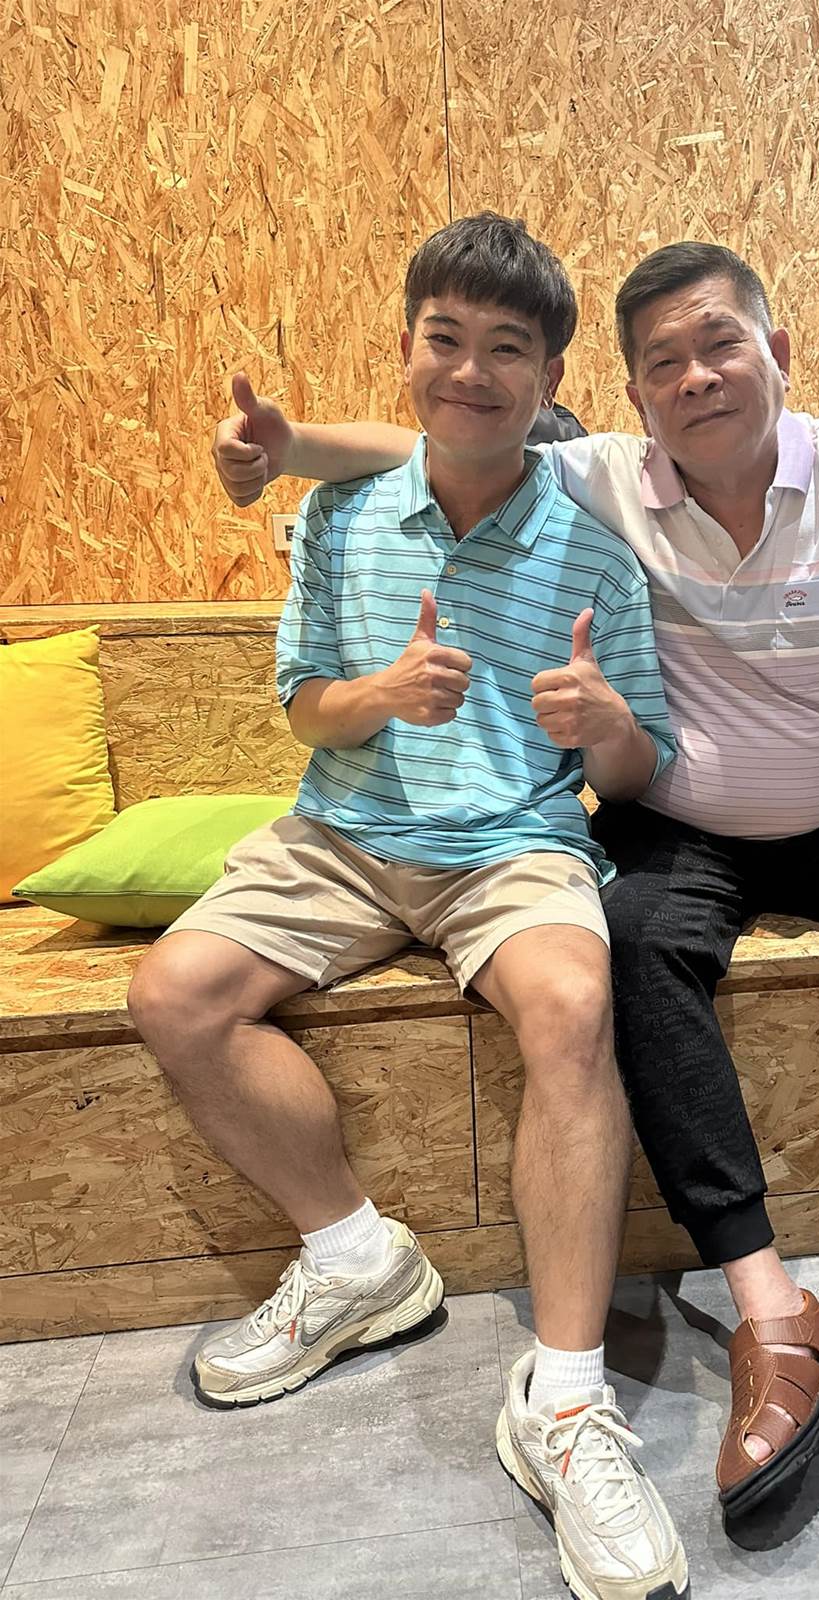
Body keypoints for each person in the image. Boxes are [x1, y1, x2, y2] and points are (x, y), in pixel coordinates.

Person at [211, 240, 819, 1514]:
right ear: (634, 395)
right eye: (663, 364)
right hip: (677, 825)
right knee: (631, 941)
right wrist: (288, 449)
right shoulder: (602, 476)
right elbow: (445, 435)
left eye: (720, 344)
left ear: (778, 352)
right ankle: (769, 1305)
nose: (696, 377)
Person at [133, 212, 689, 1600]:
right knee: (173, 993)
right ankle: (354, 1257)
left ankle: (565, 1402)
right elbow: (303, 706)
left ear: (550, 378)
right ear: (407, 349)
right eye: (448, 339)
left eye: (508, 348)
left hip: (513, 845)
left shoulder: (597, 548)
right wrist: (376, 695)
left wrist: (608, 724)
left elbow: (637, 773)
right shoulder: (343, 515)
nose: (472, 371)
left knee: (574, 1005)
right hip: (344, 834)